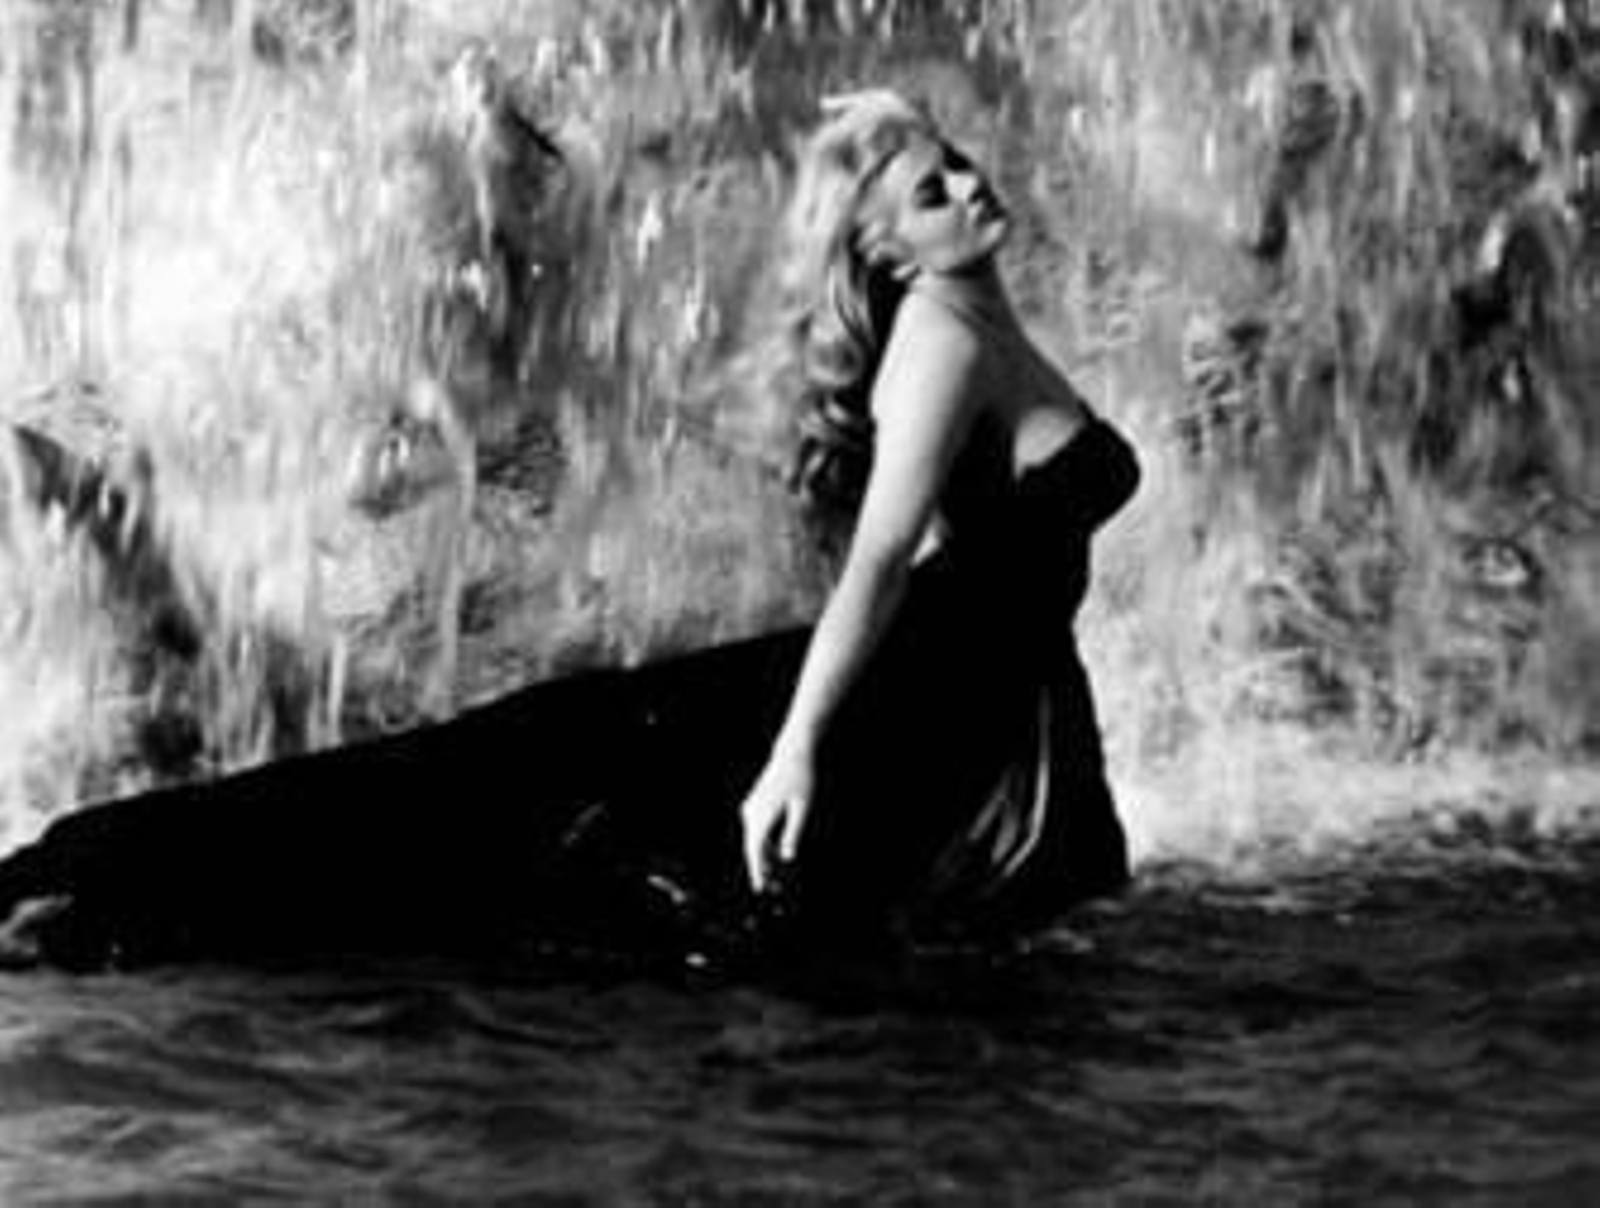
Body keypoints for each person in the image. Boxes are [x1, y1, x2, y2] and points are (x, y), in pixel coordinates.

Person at [738, 90, 1141, 947]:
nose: (967, 186)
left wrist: (892, 113)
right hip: (962, 705)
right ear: (889, 253)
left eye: (956, 162)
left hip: (1023, 699)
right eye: (933, 196)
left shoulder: (974, 308)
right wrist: (797, 746)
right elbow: (882, 559)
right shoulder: (944, 348)